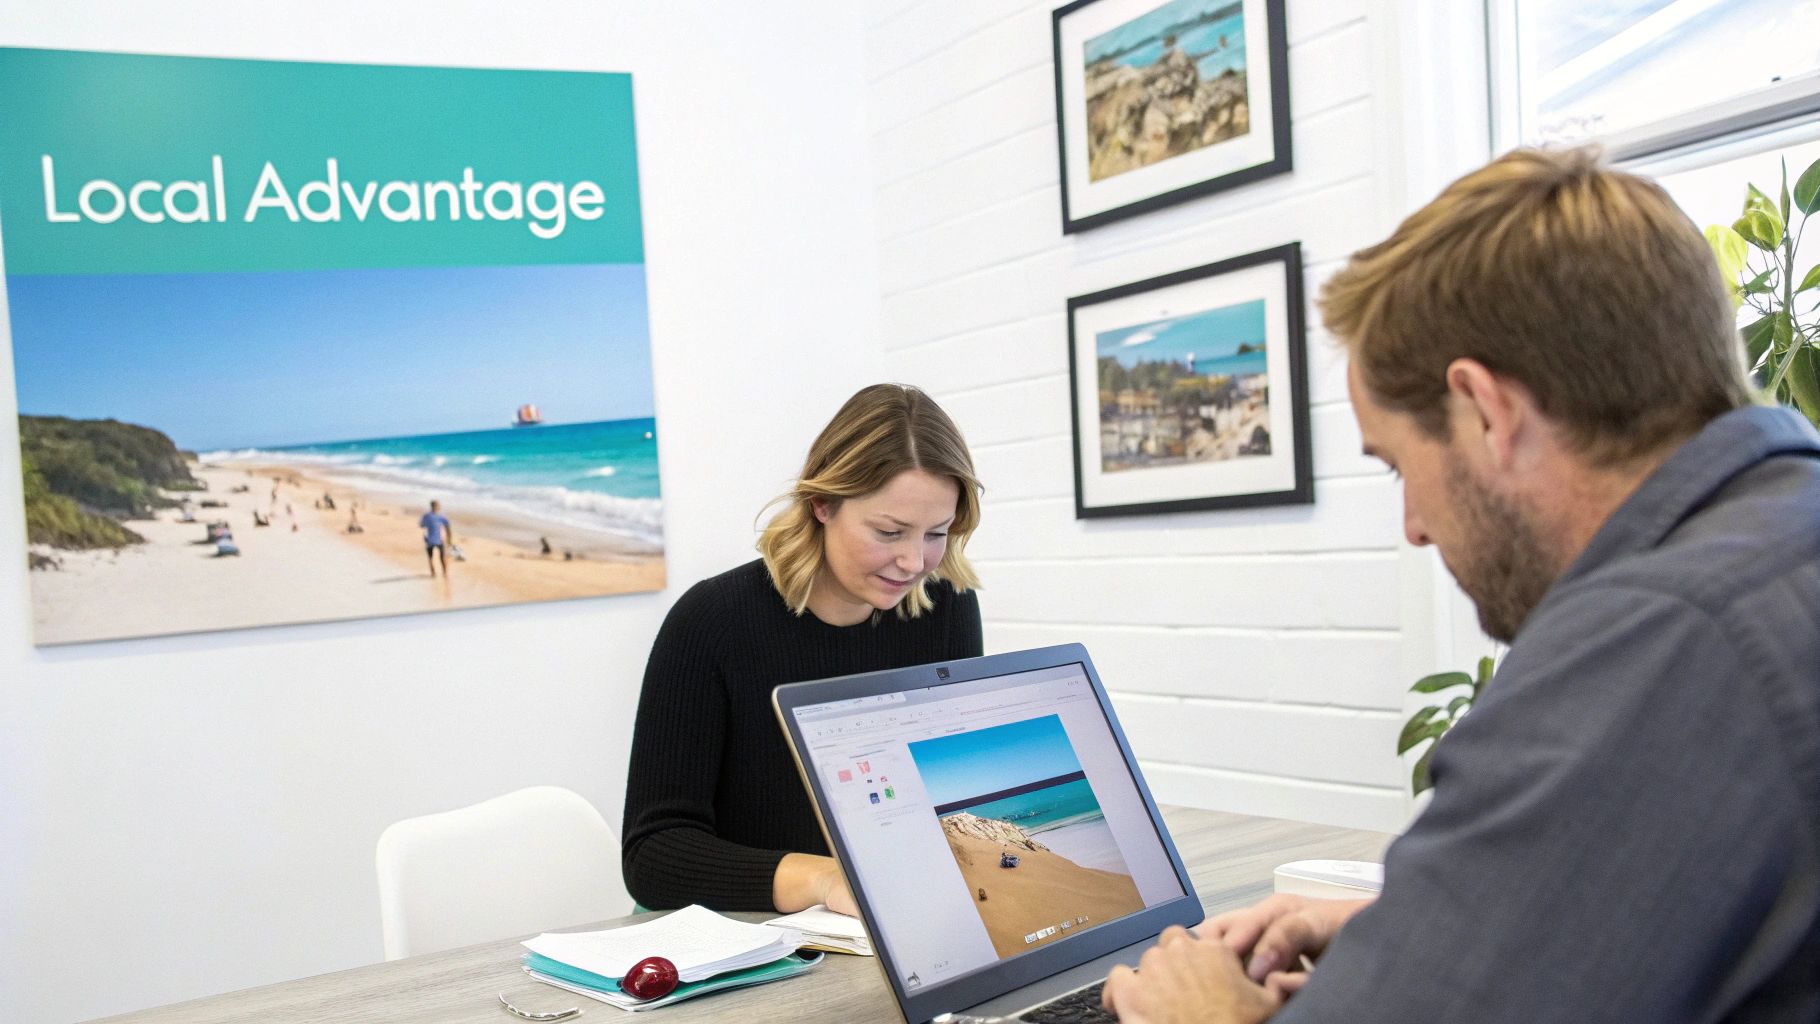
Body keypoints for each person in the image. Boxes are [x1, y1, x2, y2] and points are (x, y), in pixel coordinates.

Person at [1102, 147, 1820, 1023]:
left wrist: (1207, 1015)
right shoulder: (1783, 539)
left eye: (1398, 464)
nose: (1413, 523)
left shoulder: (1654, 643)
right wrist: (1409, 932)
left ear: (1485, 411)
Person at [622, 383, 984, 914]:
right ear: (822, 504)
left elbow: (948, 786)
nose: (913, 562)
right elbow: (653, 856)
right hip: (747, 936)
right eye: (889, 532)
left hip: (890, 917)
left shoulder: (946, 608)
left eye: (937, 533)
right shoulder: (713, 622)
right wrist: (824, 880)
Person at [420, 500, 454, 577]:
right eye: (437, 506)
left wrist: (449, 539)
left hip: (433, 540)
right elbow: (448, 528)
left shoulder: (427, 516)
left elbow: (422, 525)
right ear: (438, 507)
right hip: (435, 540)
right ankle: (441, 573)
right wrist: (449, 539)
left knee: (434, 558)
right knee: (437, 558)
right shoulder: (441, 517)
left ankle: (438, 573)